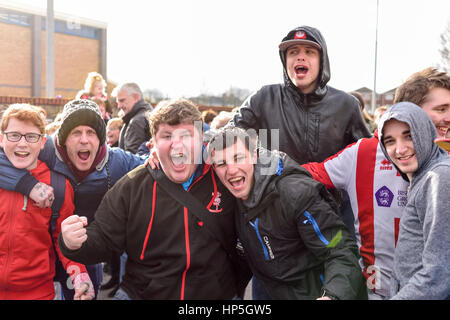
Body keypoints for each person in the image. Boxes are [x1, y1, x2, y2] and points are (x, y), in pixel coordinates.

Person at [230, 25, 371, 299]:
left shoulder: (346, 105)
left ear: (322, 60)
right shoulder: (263, 98)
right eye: (293, 52)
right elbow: (226, 139)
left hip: (326, 227)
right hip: (273, 235)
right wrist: (182, 147)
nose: (300, 57)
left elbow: (369, 160)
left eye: (309, 52)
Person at [59, 98, 250, 300]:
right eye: (166, 136)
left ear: (201, 138)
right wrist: (72, 242)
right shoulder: (132, 187)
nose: (177, 144)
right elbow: (103, 239)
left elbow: (262, 172)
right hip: (143, 293)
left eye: (186, 135)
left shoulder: (223, 177)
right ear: (153, 142)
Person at [301, 67, 450, 299]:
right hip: (379, 291)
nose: (448, 117)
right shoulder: (364, 153)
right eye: (441, 109)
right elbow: (312, 174)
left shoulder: (441, 168)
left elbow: (438, 272)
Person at [0, 99, 147, 299]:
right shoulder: (48, 149)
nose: (84, 140)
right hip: (41, 253)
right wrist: (28, 185)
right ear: (63, 140)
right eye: (75, 132)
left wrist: (158, 152)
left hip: (79, 248)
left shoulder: (116, 161)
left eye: (91, 132)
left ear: (101, 139)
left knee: (85, 290)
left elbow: (151, 166)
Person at [207, 126, 366, 300]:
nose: (231, 170)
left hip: (318, 292)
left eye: (238, 158)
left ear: (254, 155)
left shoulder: (295, 193)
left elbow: (339, 249)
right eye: (222, 163)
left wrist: (332, 296)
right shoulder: (228, 198)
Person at [0, 103, 93, 300]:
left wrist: (79, 277)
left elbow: (64, 241)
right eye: (14, 135)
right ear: (1, 139)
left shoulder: (58, 186)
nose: (22, 144)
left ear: (43, 142)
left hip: (38, 292)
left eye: (31, 137)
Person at [378, 102, 450, 299]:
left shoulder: (439, 176)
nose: (400, 150)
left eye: (409, 136)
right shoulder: (424, 176)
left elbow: (440, 273)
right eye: (390, 141)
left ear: (425, 131)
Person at [112, 82, 153, 153]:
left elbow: (131, 157)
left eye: (122, 100)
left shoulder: (137, 121)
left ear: (136, 97)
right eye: (118, 102)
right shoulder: (147, 113)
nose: (119, 106)